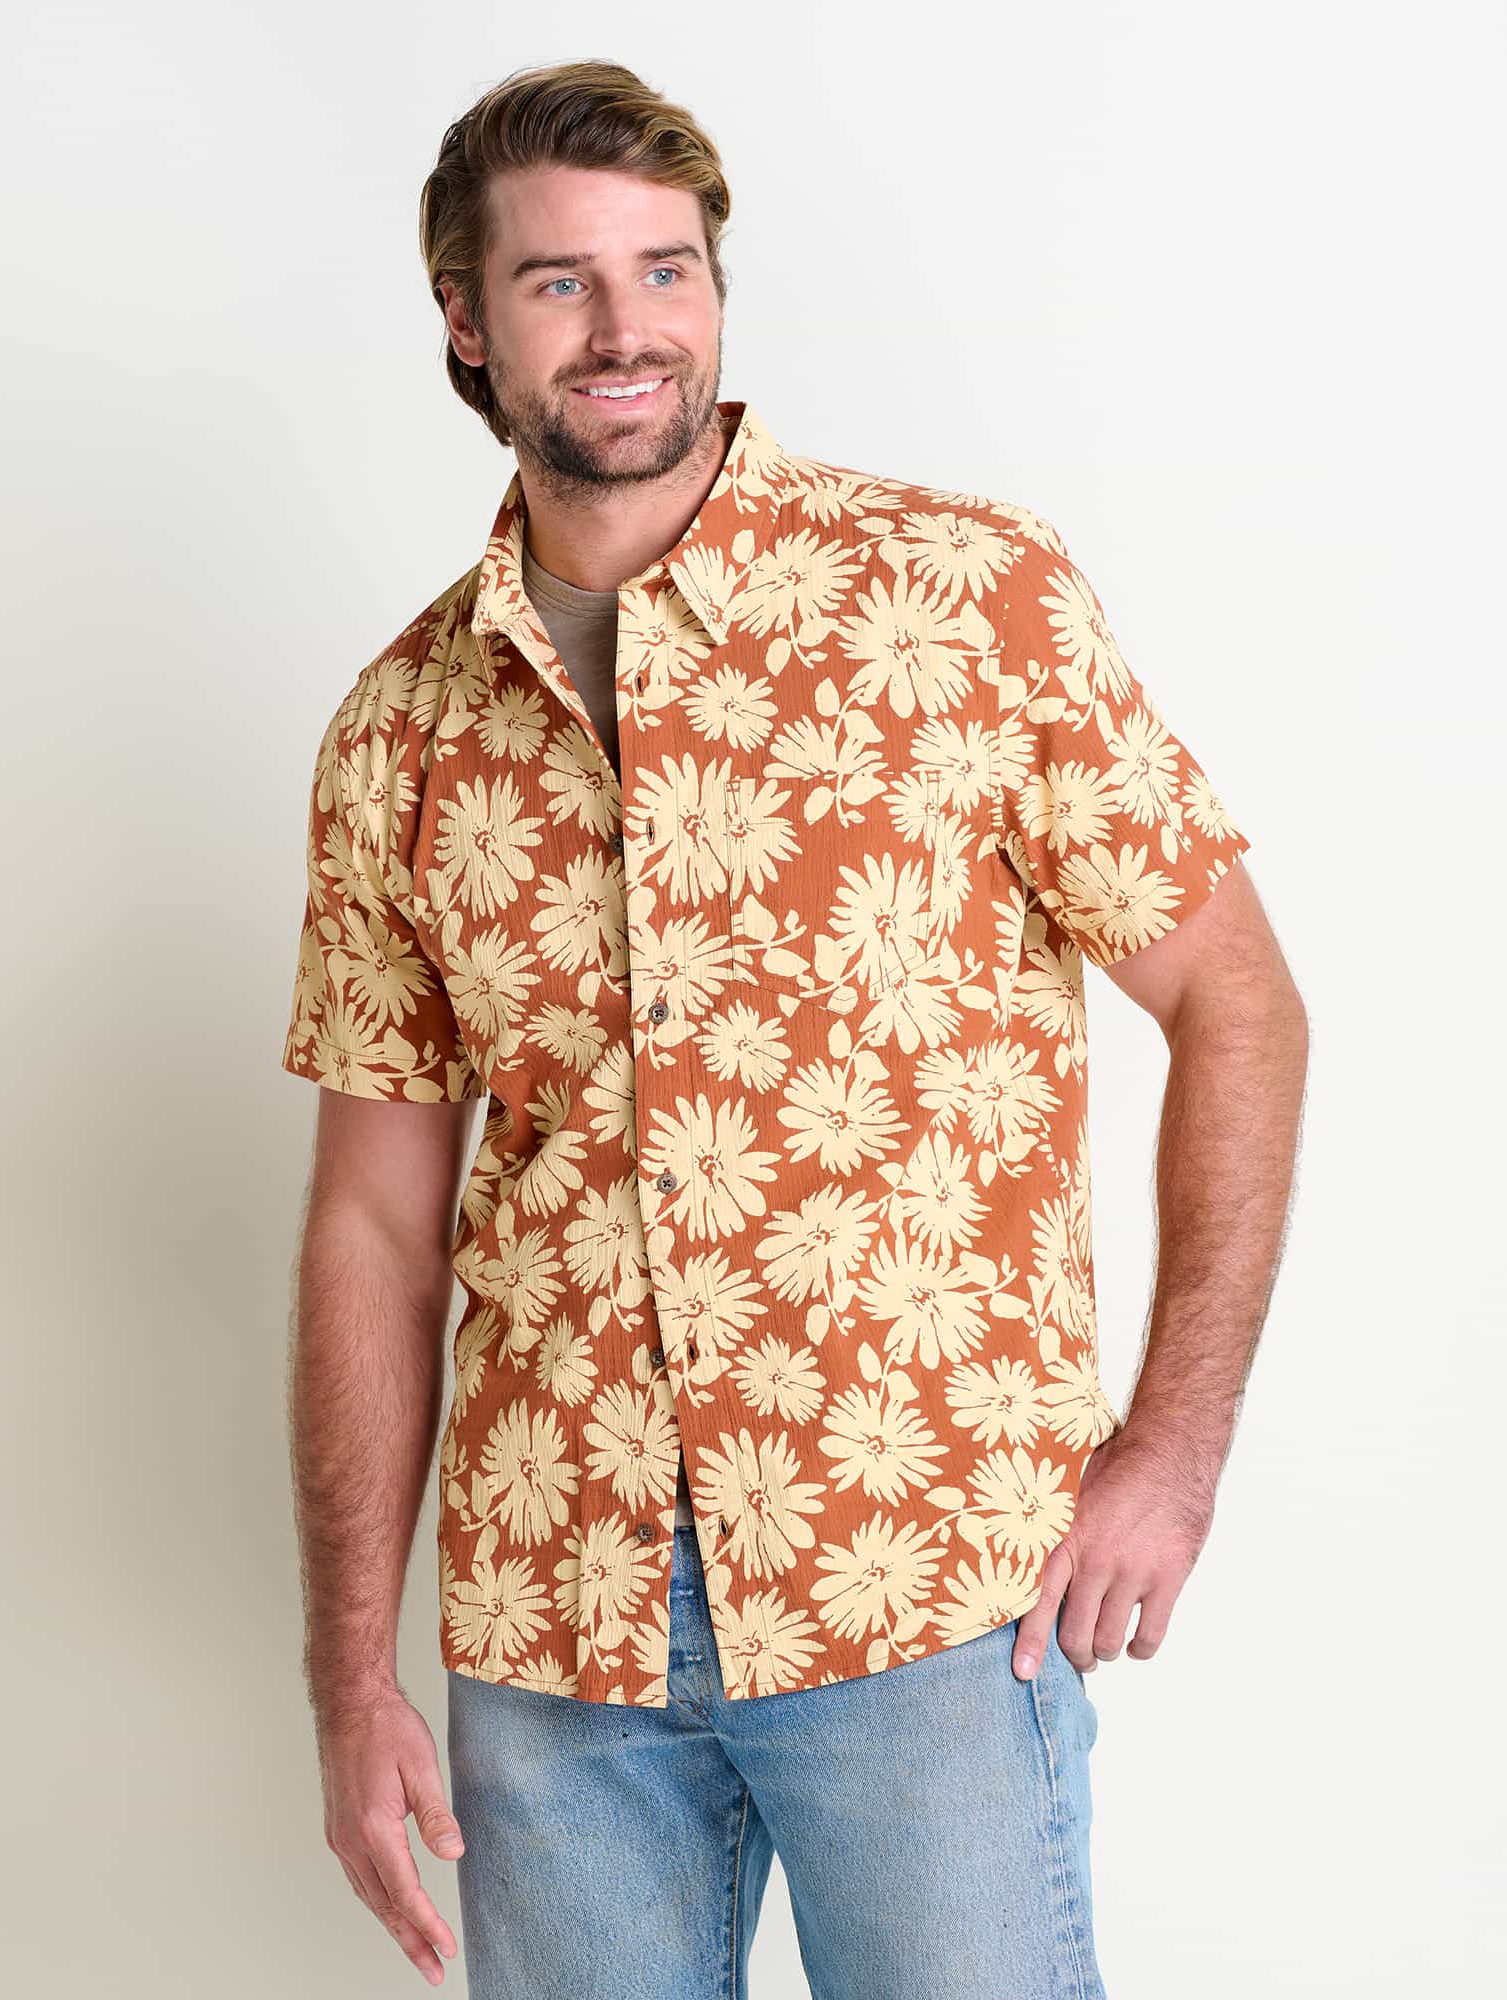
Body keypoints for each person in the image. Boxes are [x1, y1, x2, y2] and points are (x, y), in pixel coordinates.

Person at [279, 57, 1308, 2000]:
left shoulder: (961, 603)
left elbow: (1236, 1000)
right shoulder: (399, 732)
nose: (626, 327)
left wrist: (1171, 1450)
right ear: (466, 320)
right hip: (554, 1625)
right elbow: (371, 1221)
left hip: (926, 1584)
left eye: (665, 270)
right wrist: (350, 1671)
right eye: (562, 280)